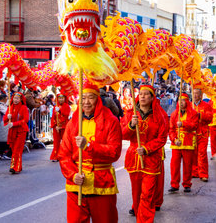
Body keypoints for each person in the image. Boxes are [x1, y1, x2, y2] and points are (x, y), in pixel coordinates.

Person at [58, 82, 122, 223]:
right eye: (83, 97)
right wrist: (72, 175)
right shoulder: (73, 122)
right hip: (77, 184)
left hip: (102, 183)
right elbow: (63, 155)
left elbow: (115, 152)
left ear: (98, 99)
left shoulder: (111, 121)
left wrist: (89, 146)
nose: (86, 102)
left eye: (91, 97)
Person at [121, 84, 168, 222]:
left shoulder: (160, 115)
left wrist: (147, 149)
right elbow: (122, 134)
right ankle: (138, 214)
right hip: (133, 159)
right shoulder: (130, 113)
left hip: (151, 160)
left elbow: (162, 138)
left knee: (147, 194)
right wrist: (131, 126)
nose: (142, 96)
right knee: (136, 194)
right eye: (141, 93)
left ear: (152, 97)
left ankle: (145, 220)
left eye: (146, 94)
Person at [168, 93, 199, 193]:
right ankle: (174, 184)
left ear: (187, 102)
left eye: (183, 100)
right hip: (177, 143)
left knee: (187, 165)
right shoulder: (174, 114)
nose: (181, 102)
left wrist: (183, 124)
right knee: (174, 165)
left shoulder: (193, 113)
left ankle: (187, 184)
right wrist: (174, 139)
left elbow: (194, 126)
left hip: (188, 142)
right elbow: (171, 129)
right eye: (179, 100)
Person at [4, 92, 29, 174]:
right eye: (14, 98)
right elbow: (5, 119)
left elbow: (26, 119)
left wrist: (15, 123)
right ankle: (18, 166)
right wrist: (8, 117)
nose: (15, 100)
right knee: (14, 149)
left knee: (17, 149)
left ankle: (14, 167)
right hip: (12, 131)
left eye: (17, 98)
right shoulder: (10, 108)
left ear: (21, 99)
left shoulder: (23, 108)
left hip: (21, 131)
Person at [191, 89, 213, 182]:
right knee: (193, 153)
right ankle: (195, 172)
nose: (195, 95)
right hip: (192, 133)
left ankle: (203, 173)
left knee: (202, 153)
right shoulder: (190, 105)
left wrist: (200, 115)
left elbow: (209, 118)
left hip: (202, 133)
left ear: (201, 95)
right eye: (194, 93)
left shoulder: (206, 105)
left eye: (197, 94)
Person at [50, 93, 71, 162]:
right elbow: (53, 117)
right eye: (59, 98)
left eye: (62, 98)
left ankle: (66, 155)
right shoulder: (55, 106)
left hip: (64, 126)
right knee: (56, 142)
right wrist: (55, 125)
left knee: (65, 142)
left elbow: (66, 116)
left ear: (65, 99)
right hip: (56, 127)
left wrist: (59, 111)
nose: (60, 99)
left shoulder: (67, 106)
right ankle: (55, 156)